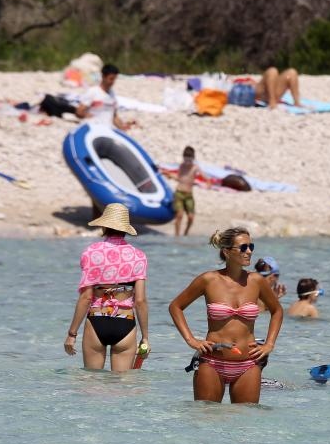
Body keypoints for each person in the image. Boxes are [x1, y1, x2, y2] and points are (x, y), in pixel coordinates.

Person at [168, 227, 283, 403]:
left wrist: (269, 344)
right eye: (243, 247)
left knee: (247, 418)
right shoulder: (208, 280)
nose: (249, 251)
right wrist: (191, 340)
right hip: (212, 362)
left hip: (248, 363)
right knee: (207, 415)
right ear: (226, 251)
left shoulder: (256, 281)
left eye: (251, 246)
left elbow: (277, 311)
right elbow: (176, 306)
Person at [64, 203, 149, 371]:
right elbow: (140, 301)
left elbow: (86, 298)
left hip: (97, 320)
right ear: (125, 228)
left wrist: (71, 334)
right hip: (125, 323)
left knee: (92, 381)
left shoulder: (91, 252)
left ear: (104, 226)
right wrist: (145, 338)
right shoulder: (138, 256)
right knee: (122, 384)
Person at [74, 64, 136, 130]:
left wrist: (123, 126)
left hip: (107, 129)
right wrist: (94, 118)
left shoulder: (112, 94)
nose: (113, 82)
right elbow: (79, 112)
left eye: (114, 79)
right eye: (111, 79)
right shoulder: (93, 92)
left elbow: (114, 116)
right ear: (103, 76)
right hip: (93, 128)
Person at [173, 146, 204, 236]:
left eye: (189, 160)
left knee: (191, 217)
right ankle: (177, 236)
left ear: (193, 159)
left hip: (189, 195)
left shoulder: (195, 167)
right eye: (185, 160)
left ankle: (186, 233)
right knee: (179, 215)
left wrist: (208, 183)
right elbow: (179, 178)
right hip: (179, 193)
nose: (187, 163)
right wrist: (171, 176)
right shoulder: (182, 166)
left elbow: (205, 177)